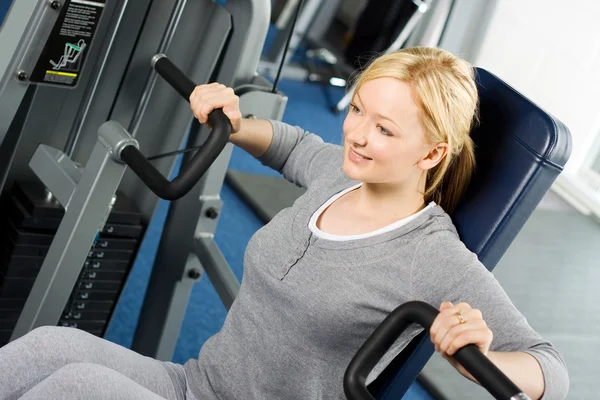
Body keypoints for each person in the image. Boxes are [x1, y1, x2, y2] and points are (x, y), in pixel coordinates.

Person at [0, 47, 568, 400]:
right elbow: (292, 144)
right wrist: (234, 122)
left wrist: (481, 354)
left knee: (74, 388)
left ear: (430, 155)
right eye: (357, 111)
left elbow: (551, 369)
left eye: (386, 130)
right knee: (50, 348)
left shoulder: (431, 255)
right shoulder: (342, 175)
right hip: (196, 385)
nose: (358, 135)